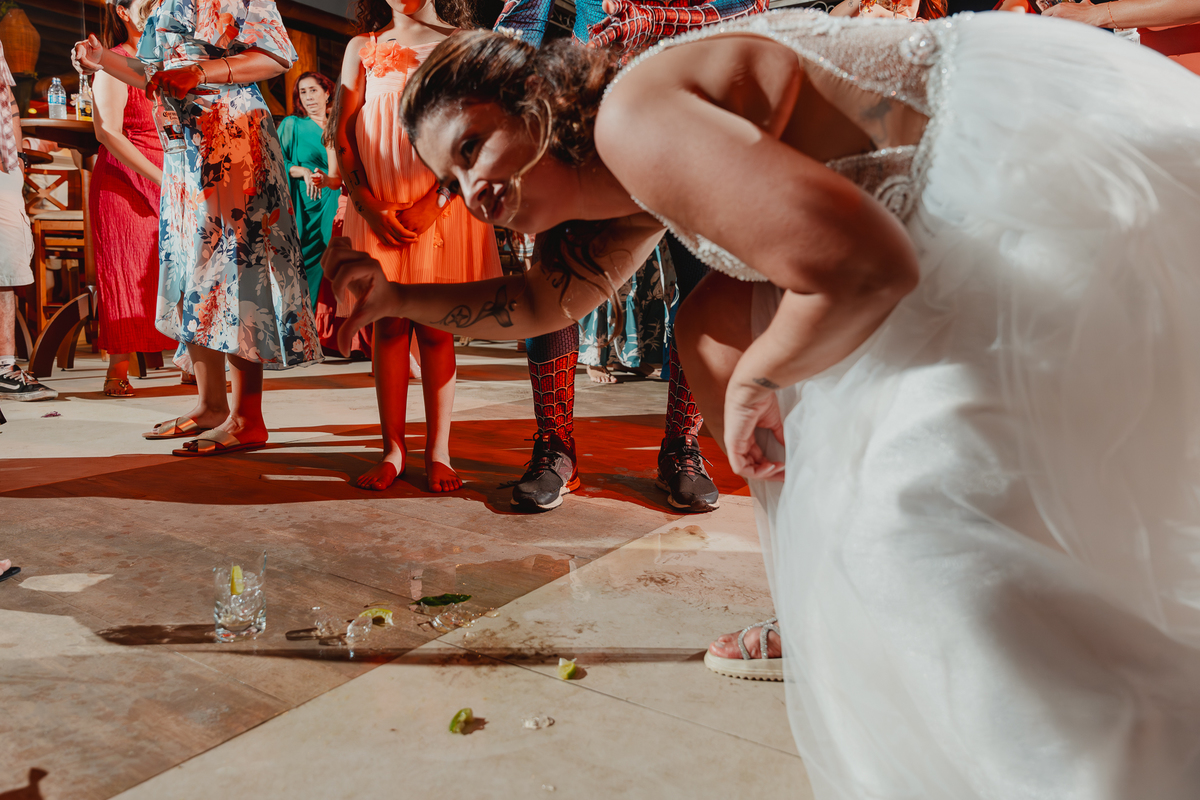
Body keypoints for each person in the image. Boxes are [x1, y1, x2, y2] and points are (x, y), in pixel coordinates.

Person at [324, 13, 1200, 798]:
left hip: (1018, 186)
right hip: (949, 217)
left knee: (914, 522)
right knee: (746, 363)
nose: (469, 192)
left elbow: (867, 267)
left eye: (472, 146)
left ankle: (1130, 754)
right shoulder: (620, 184)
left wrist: (755, 380)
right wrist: (395, 296)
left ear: (532, 102)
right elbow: (541, 304)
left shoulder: (635, 121)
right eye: (450, 181)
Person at [73, 0, 321, 456]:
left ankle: (247, 418)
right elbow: (153, 73)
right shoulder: (164, 4)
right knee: (194, 272)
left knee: (236, 272)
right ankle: (210, 406)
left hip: (233, 137)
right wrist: (101, 59)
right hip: (184, 151)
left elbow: (275, 56)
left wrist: (201, 72)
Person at [334, 0, 501, 492]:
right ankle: (392, 449)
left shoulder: (463, 45)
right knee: (386, 327)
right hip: (378, 205)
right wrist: (366, 204)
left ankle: (438, 451)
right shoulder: (361, 47)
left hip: (441, 209)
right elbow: (342, 134)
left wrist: (437, 201)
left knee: (435, 330)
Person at [89, 0, 177, 398]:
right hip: (126, 176)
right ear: (123, 12)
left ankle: (191, 361)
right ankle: (118, 368)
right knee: (128, 266)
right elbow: (107, 132)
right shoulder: (113, 61)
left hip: (171, 170)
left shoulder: (171, 60)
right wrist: (160, 178)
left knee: (179, 269)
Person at [0, 40, 55, 403]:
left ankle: (4, 367)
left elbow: (8, 102)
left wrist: (17, 159)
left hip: (4, 168)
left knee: (6, 267)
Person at [278, 71, 340, 311]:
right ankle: (296, 321)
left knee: (331, 265)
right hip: (302, 207)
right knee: (298, 264)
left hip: (333, 204)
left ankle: (321, 325)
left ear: (327, 93)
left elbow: (340, 174)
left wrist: (327, 179)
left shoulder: (337, 127)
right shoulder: (292, 124)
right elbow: (274, 162)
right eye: (303, 92)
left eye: (313, 90)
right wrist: (301, 171)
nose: (308, 97)